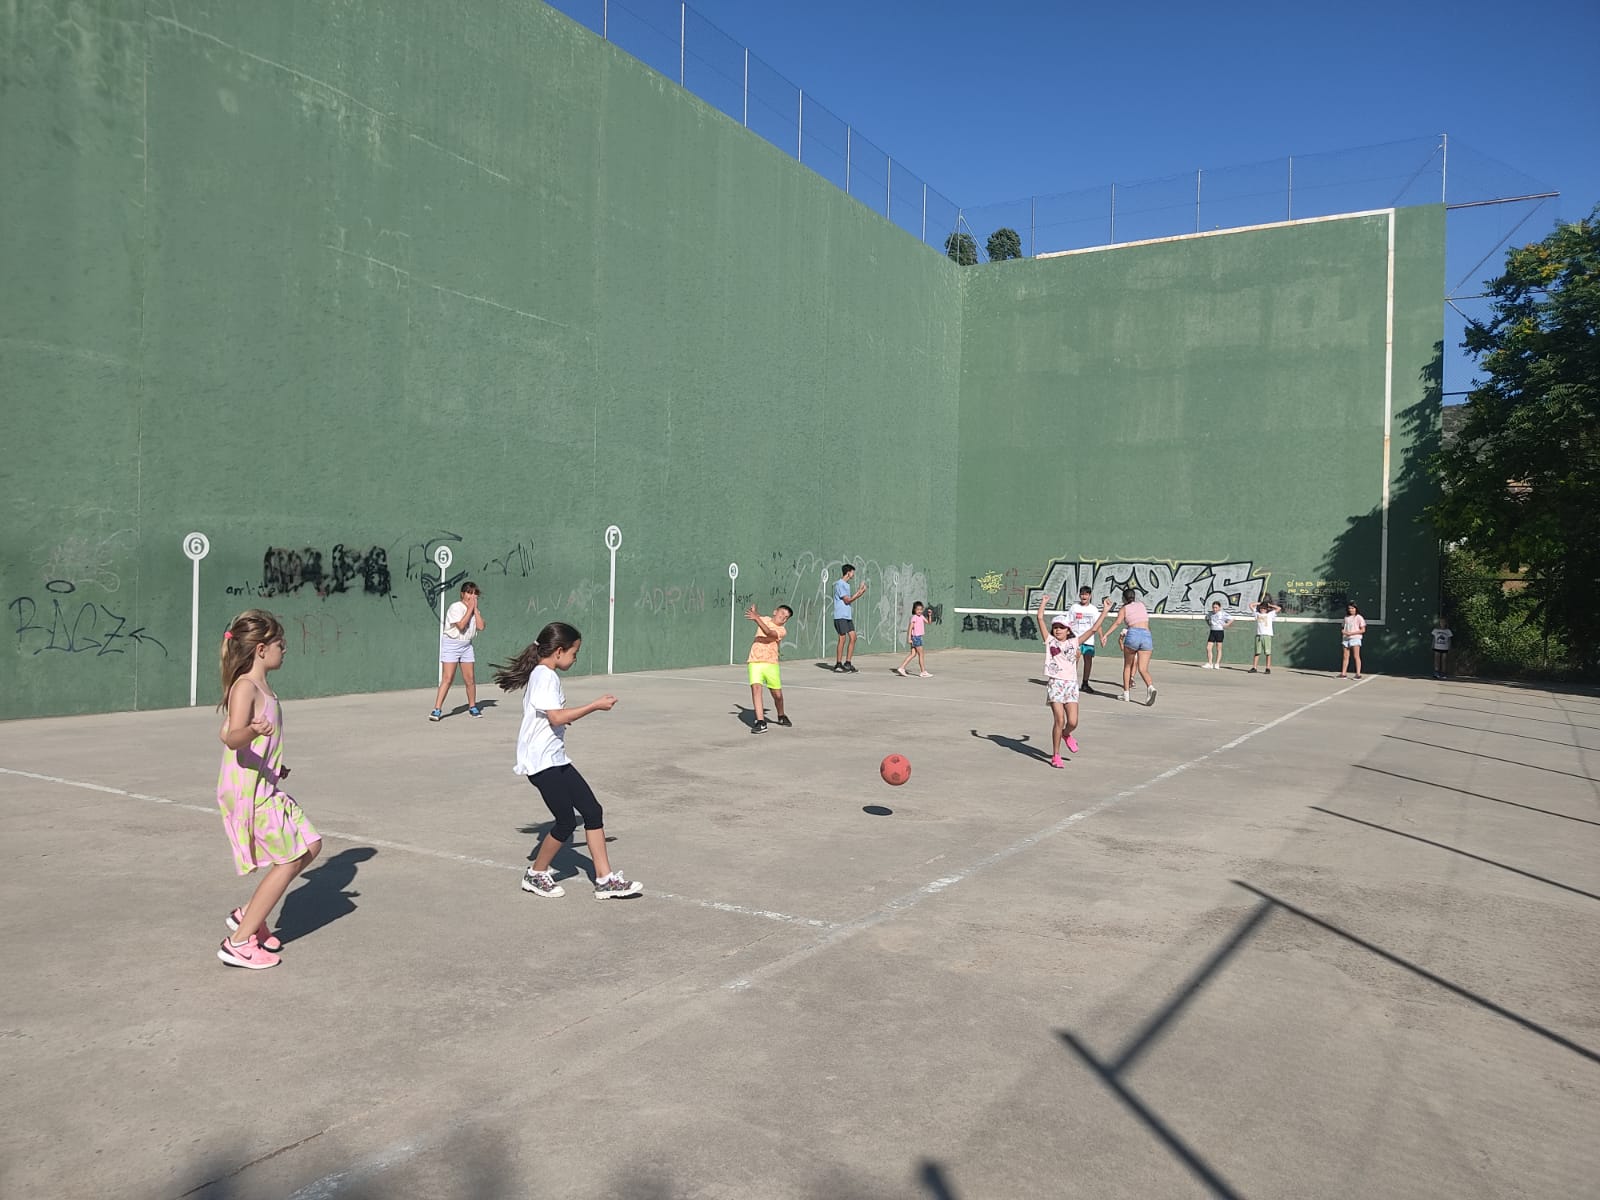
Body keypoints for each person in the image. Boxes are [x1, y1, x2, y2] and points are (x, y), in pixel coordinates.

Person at [495, 622, 642, 899]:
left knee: (592, 810)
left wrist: (563, 721)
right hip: (541, 763)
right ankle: (536, 875)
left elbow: (552, 718)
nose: (575, 659)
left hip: (555, 758)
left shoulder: (544, 674)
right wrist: (594, 706)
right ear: (559, 652)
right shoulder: (545, 676)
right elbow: (556, 717)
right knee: (565, 822)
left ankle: (605, 879)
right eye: (574, 654)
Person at [215, 610, 323, 969]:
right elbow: (231, 736)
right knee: (288, 860)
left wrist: (274, 763)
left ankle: (249, 913)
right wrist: (254, 733)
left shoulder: (263, 687)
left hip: (266, 780)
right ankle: (239, 942)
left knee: (311, 844)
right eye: (279, 643)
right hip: (250, 791)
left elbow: (245, 737)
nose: (285, 649)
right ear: (261, 649)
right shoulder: (246, 686)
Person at [1035, 591, 1111, 767]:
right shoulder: (1050, 641)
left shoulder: (1074, 642)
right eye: (1056, 627)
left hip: (1071, 686)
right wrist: (1044, 602)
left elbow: (1093, 629)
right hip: (1055, 684)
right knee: (1059, 720)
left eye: (1061, 627)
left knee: (1073, 722)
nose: (1058, 630)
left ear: (1068, 629)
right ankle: (1056, 755)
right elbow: (1039, 618)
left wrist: (1105, 610)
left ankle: (1066, 734)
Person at [431, 581, 485, 721]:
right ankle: (437, 710)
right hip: (451, 645)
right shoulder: (455, 607)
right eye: (469, 593)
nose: (471, 596)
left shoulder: (474, 609)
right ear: (462, 594)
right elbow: (461, 625)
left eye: (474, 593)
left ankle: (472, 707)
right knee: (448, 678)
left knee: (470, 679)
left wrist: (475, 610)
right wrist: (470, 609)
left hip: (467, 646)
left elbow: (481, 626)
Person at [1104, 587, 1157, 705]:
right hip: (1147, 635)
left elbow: (1117, 623)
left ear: (1124, 598)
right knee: (1143, 669)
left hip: (1133, 634)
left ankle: (1126, 693)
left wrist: (1106, 634)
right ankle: (1151, 687)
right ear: (1134, 597)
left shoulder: (1124, 609)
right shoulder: (1142, 605)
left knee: (1127, 666)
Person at [746, 603, 794, 732]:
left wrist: (756, 618)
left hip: (771, 664)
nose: (783, 617)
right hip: (754, 661)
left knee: (777, 695)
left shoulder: (782, 631)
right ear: (775, 612)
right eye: (782, 613)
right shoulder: (765, 619)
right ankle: (761, 722)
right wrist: (755, 613)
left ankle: (781, 715)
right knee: (756, 688)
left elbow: (768, 632)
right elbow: (760, 620)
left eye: (786, 617)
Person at [1063, 585, 1103, 693]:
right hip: (1076, 638)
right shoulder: (1074, 607)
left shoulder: (1093, 609)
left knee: (1088, 660)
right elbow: (1068, 622)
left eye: (1086, 594)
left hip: (1089, 640)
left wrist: (1101, 636)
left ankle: (1085, 683)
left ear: (1090, 596)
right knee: (1075, 659)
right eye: (1082, 594)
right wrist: (1067, 636)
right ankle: (1071, 682)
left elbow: (1097, 624)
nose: (1083, 596)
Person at [832, 564, 868, 673]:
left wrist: (859, 592)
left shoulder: (846, 585)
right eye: (853, 572)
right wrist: (860, 592)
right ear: (848, 572)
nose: (853, 574)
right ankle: (838, 664)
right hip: (840, 616)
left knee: (853, 637)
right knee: (842, 639)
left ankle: (847, 663)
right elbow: (847, 600)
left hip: (847, 616)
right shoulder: (839, 584)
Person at [894, 601, 932, 677]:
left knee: (913, 654)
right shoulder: (914, 617)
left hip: (918, 637)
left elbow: (928, 622)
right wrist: (909, 638)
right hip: (916, 638)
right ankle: (923, 672)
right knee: (921, 654)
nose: (919, 611)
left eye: (921, 609)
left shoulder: (921, 617)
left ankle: (901, 668)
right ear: (914, 610)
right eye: (918, 609)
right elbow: (910, 628)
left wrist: (929, 615)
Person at [1250, 598, 1283, 674]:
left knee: (1268, 653)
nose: (1263, 609)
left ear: (1267, 609)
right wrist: (1260, 603)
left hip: (1267, 635)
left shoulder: (1270, 615)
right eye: (1262, 608)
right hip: (1259, 635)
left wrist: (1270, 605)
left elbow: (1279, 608)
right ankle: (1254, 667)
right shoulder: (1257, 614)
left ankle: (1267, 668)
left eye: (1264, 608)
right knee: (1257, 652)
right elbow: (1251, 605)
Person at [1203, 600, 1235, 669]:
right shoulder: (1210, 614)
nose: (1214, 609)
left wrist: (1227, 624)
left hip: (1219, 632)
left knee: (1218, 648)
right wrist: (1209, 624)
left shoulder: (1223, 614)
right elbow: (1206, 618)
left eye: (1216, 607)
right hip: (1212, 631)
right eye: (1213, 607)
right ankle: (1210, 663)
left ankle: (1217, 663)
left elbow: (1232, 619)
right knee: (1208, 647)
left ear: (1219, 608)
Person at [1339, 601, 1367, 679]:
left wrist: (1352, 633)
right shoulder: (1346, 618)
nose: (1351, 610)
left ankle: (1358, 674)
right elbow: (1343, 628)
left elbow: (1363, 630)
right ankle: (1343, 674)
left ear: (1356, 609)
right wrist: (1344, 632)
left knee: (1356, 656)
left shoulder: (1359, 617)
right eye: (1349, 608)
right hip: (1346, 639)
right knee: (1345, 656)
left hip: (1355, 639)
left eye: (1352, 608)